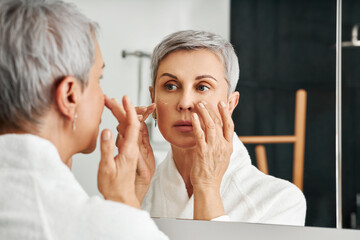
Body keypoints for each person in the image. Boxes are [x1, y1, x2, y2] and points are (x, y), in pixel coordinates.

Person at [0, 0, 168, 239]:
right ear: (69, 95)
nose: (104, 97)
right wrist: (124, 206)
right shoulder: (103, 226)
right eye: (99, 79)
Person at [130, 30, 306, 226]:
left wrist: (207, 186)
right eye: (171, 86)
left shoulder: (280, 202)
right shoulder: (137, 190)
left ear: (230, 104)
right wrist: (134, 189)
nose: (185, 102)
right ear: (153, 98)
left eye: (202, 87)